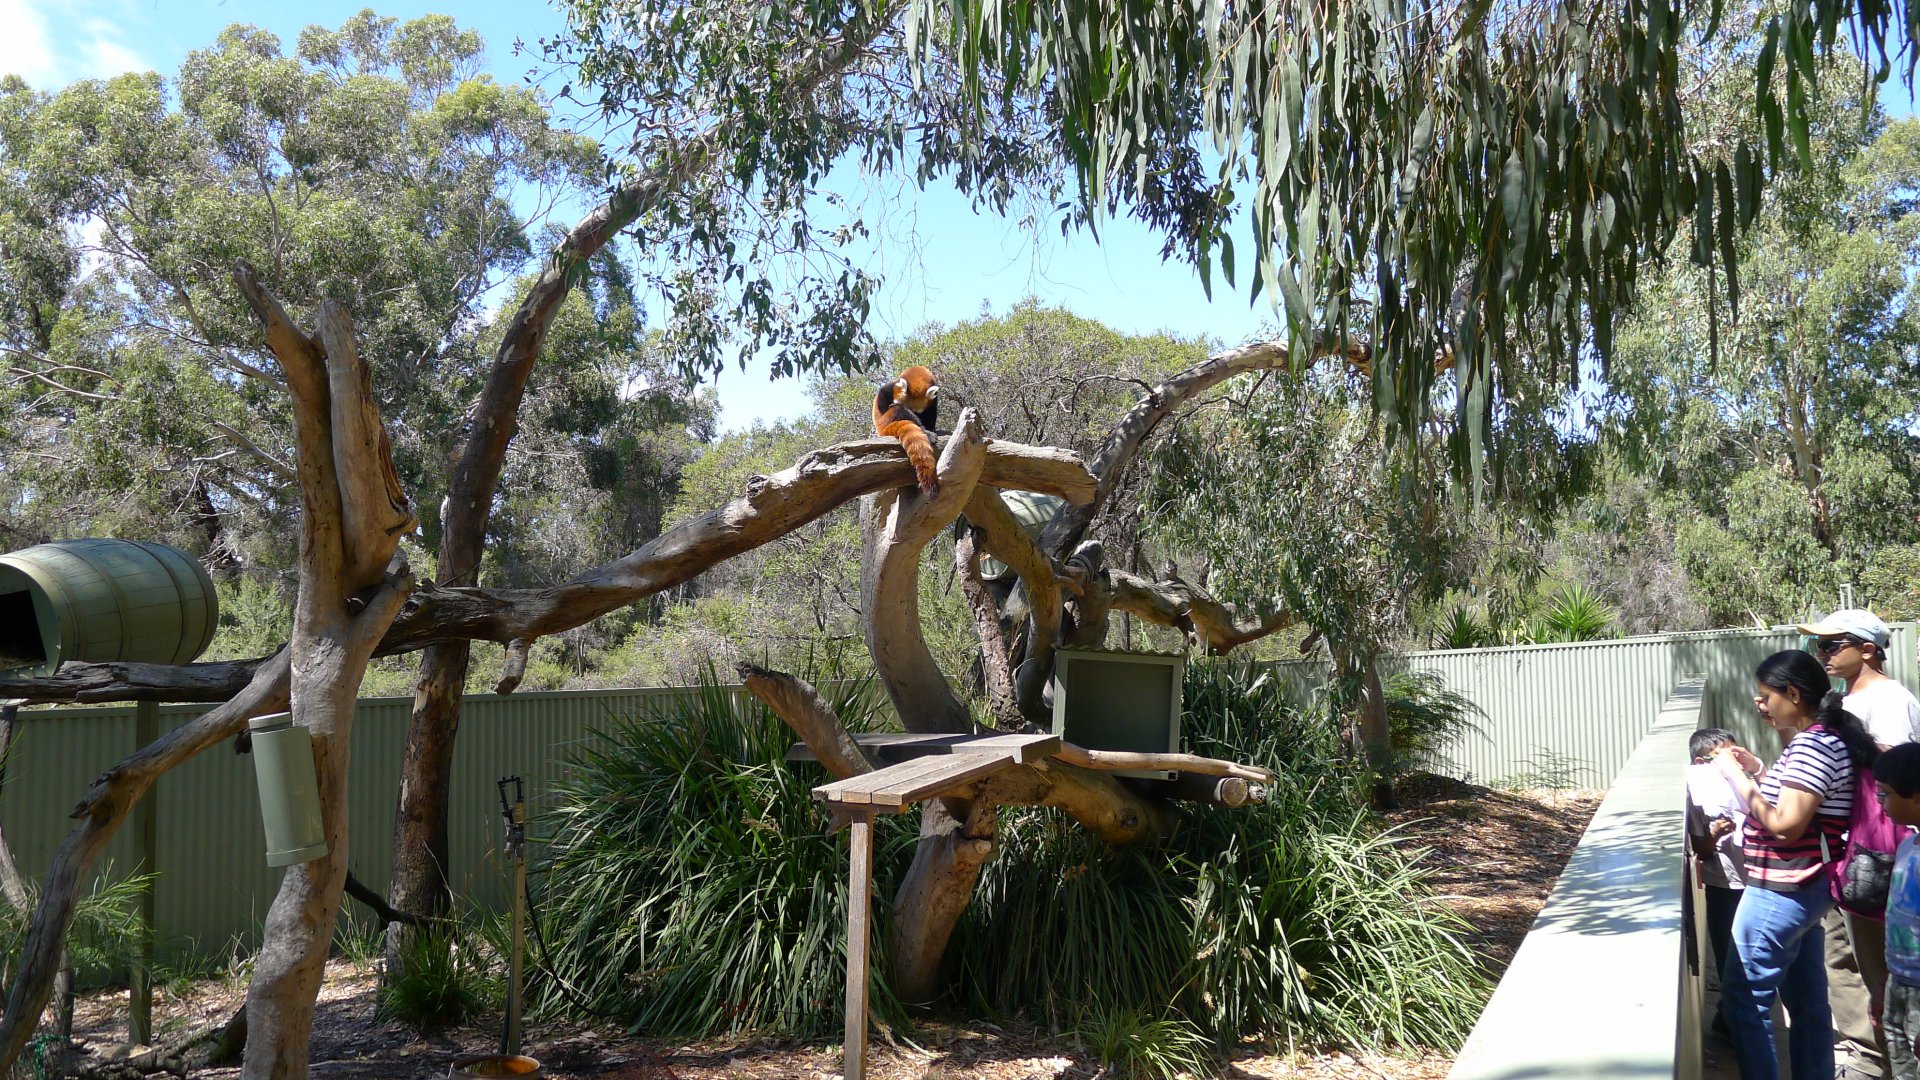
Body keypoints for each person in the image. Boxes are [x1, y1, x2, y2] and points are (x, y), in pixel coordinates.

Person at [1715, 649, 1880, 1080]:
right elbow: (1801, 801)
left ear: (1792, 693)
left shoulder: (1813, 744)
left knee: (1744, 999)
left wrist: (1735, 777)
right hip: (1807, 886)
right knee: (1807, 1001)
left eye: (1766, 695)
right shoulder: (1830, 736)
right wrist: (1759, 770)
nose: (1760, 704)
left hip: (1783, 889)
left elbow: (1786, 825)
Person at [1803, 608, 1920, 1077]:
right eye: (1819, 646)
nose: (1822, 654)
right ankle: (1865, 1056)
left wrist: (1850, 733)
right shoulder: (1843, 698)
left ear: (1868, 649)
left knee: (1879, 966)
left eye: (1831, 645)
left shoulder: (1889, 699)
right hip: (1845, 853)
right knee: (1842, 955)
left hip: (1880, 858)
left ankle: (1890, 1061)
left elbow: (1897, 774)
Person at [1689, 728, 1749, 1013]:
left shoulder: (1744, 783)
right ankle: (1731, 1018)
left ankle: (1732, 1017)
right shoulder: (1697, 795)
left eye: (1734, 755)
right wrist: (1714, 833)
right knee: (1729, 955)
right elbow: (1701, 850)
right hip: (1724, 885)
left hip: (1756, 882)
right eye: (1723, 757)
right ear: (1701, 763)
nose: (1732, 763)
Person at [1875, 742, 1920, 1080]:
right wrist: (1885, 981)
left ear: (1916, 796)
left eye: (1886, 794)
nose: (1881, 802)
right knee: (1901, 1064)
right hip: (1898, 980)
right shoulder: (1907, 846)